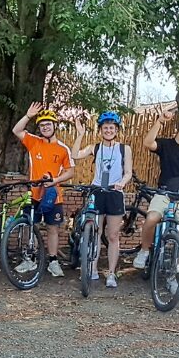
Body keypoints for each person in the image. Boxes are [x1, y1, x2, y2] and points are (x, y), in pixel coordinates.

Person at [132, 109, 179, 285]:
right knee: (151, 218)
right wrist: (160, 120)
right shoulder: (166, 145)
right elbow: (148, 142)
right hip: (165, 192)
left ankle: (173, 276)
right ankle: (144, 251)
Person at [12, 102, 76, 277]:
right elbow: (16, 131)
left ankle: (53, 261)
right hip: (34, 194)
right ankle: (29, 259)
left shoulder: (63, 149)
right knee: (29, 226)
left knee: (52, 228)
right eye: (42, 125)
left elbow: (70, 171)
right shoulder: (34, 142)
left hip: (53, 195)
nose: (45, 127)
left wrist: (56, 180)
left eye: (48, 124)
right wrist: (28, 116)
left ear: (55, 126)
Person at [70, 111, 133, 288]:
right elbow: (74, 155)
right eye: (105, 128)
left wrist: (121, 183)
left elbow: (128, 172)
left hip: (114, 192)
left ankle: (112, 273)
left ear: (116, 130)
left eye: (111, 128)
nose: (108, 130)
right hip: (97, 191)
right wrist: (80, 134)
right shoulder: (94, 147)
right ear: (100, 130)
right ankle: (93, 268)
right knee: (95, 232)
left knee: (113, 235)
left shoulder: (124, 148)